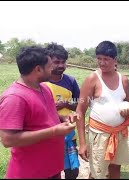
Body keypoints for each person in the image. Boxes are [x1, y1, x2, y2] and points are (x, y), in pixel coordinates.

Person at [0, 46, 76, 179]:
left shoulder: (44, 89)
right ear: (38, 69)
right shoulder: (15, 98)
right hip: (29, 173)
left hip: (51, 170)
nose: (53, 69)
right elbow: (8, 139)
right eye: (50, 65)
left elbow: (44, 115)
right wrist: (54, 131)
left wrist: (63, 118)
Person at [75, 41, 129, 179]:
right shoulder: (92, 79)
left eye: (106, 59)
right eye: (99, 58)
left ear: (115, 60)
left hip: (119, 133)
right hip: (99, 135)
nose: (102, 62)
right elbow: (80, 110)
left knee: (115, 167)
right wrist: (82, 144)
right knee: (97, 172)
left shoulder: (123, 80)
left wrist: (127, 111)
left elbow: (128, 103)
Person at [45, 43, 80, 179]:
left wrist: (66, 103)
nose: (61, 65)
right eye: (56, 62)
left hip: (69, 133)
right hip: (48, 134)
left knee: (72, 171)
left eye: (63, 62)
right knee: (52, 171)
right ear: (47, 61)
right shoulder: (41, 82)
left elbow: (80, 104)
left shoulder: (70, 81)